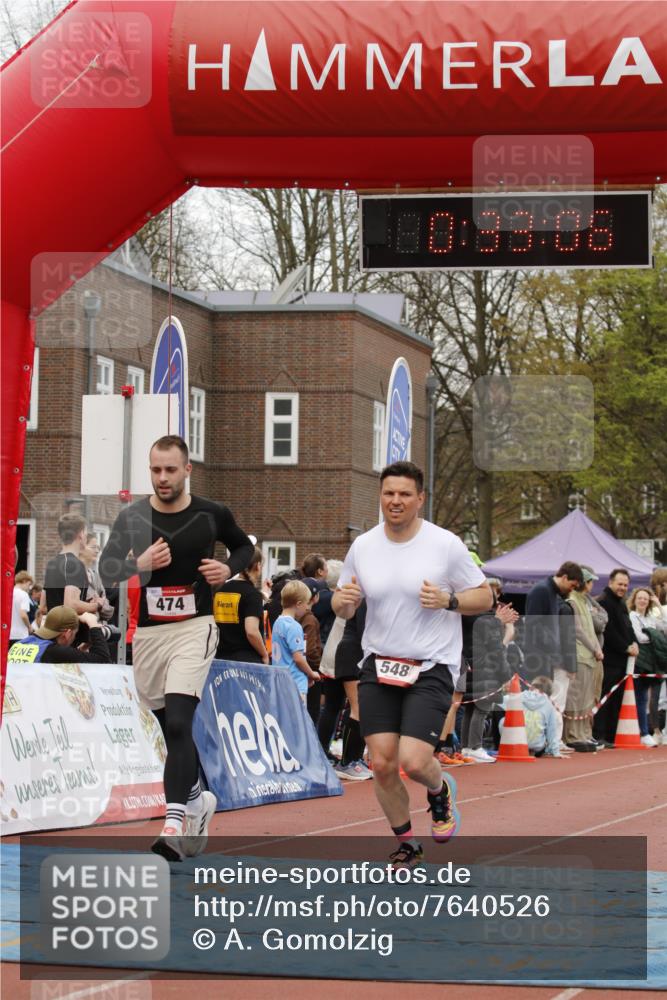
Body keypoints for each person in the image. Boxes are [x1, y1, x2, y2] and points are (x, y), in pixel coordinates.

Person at [99, 434, 254, 862]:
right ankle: (198, 798)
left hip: (195, 627)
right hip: (149, 634)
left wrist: (229, 567)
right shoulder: (132, 518)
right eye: (155, 470)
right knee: (169, 728)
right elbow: (105, 568)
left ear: (188, 469)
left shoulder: (211, 514)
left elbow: (244, 545)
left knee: (182, 722)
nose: (162, 477)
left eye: (170, 469)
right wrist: (138, 565)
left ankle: (173, 823)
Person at [333, 461, 492, 868]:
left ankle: (439, 793)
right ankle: (408, 843)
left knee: (415, 761)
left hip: (431, 664)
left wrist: (450, 601)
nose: (396, 501)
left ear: (420, 499)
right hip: (378, 663)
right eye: (389, 494)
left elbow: (485, 597)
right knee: (382, 763)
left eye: (405, 494)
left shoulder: (446, 545)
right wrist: (344, 602)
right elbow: (341, 604)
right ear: (380, 496)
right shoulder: (363, 546)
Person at [524, 562, 583, 751]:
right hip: (539, 656)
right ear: (564, 577)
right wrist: (551, 653)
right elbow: (535, 625)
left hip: (546, 655)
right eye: (572, 585)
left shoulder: (551, 593)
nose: (572, 590)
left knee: (545, 701)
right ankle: (538, 741)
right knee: (538, 701)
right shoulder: (541, 591)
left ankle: (546, 742)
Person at [593, 569, 639, 748]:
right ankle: (599, 734)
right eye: (620, 584)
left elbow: (628, 627)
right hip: (609, 660)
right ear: (611, 582)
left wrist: (634, 643)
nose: (623, 588)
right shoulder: (604, 601)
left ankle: (611, 734)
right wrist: (625, 647)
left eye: (626, 585)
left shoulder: (621, 603)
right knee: (606, 697)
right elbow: (608, 631)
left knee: (617, 698)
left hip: (623, 660)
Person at [564, 568, 605, 751]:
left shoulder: (585, 602)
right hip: (579, 654)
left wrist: (597, 649)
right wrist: (594, 648)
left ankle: (582, 733)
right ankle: (572, 735)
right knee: (575, 698)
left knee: (587, 699)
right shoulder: (573, 601)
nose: (592, 585)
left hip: (589, 656)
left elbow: (592, 630)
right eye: (590, 581)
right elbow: (578, 630)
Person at [333, 600, 373, 781]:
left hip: (358, 654)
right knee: (359, 708)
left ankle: (355, 759)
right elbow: (364, 629)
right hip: (352, 654)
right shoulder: (364, 600)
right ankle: (347, 762)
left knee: (362, 709)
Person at [214, 547, 269, 664]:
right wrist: (264, 654)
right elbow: (251, 631)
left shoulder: (220, 590)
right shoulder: (252, 595)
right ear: (258, 566)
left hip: (220, 659)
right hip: (246, 661)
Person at [627, 587, 667, 747]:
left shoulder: (651, 617)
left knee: (652, 698)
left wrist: (658, 605)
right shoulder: (632, 616)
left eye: (645, 598)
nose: (643, 601)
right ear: (635, 600)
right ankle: (643, 732)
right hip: (639, 662)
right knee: (641, 697)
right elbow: (640, 637)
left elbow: (664, 628)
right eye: (640, 598)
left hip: (654, 662)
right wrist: (654, 635)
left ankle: (651, 731)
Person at [44, 513, 104, 617]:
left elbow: (43, 606)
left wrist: (86, 602)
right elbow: (71, 605)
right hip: (72, 631)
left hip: (54, 628)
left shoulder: (52, 563)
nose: (86, 535)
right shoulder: (74, 564)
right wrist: (96, 605)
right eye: (85, 531)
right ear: (80, 534)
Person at [271, 579, 321, 702]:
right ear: (298, 604)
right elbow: (298, 658)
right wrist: (311, 673)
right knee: (296, 720)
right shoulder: (293, 626)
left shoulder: (278, 622)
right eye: (306, 604)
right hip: (295, 684)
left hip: (280, 682)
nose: (306, 608)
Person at [7, 606, 112, 664]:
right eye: (74, 634)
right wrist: (93, 624)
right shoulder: (54, 651)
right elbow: (103, 659)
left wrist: (82, 650)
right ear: (67, 634)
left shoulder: (18, 644)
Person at [500, 676, 563, 757]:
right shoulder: (549, 705)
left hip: (515, 742)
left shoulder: (519, 696)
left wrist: (504, 690)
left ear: (531, 686)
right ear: (549, 693)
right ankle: (537, 748)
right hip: (537, 746)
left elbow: (499, 701)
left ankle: (503, 746)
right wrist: (556, 752)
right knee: (547, 726)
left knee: (503, 720)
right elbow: (552, 731)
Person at [300, 578, 324, 724]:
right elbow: (310, 650)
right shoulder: (310, 619)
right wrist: (317, 668)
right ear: (315, 598)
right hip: (310, 673)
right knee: (312, 713)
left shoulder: (292, 617)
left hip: (296, 671)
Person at [10, 570, 33, 647]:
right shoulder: (23, 594)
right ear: (24, 581)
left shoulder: (8, 593)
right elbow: (23, 615)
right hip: (20, 635)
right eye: (29, 584)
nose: (29, 588)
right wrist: (30, 627)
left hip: (8, 634)